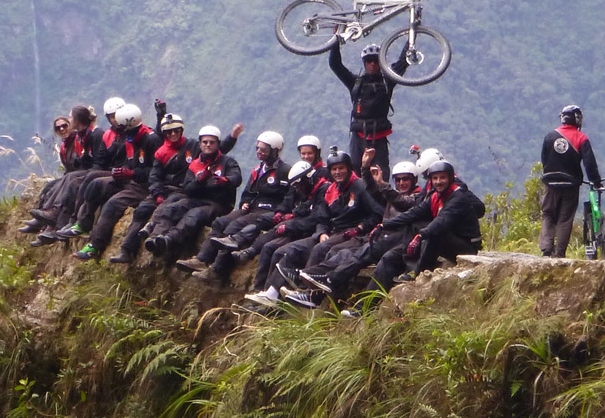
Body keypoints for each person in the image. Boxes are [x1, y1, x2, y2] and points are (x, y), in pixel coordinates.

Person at [247, 148, 382, 308]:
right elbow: (322, 217)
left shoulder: (359, 186)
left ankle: (308, 292)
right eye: (334, 169)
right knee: (291, 249)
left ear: (348, 168)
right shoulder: (332, 190)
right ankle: (272, 293)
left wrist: (360, 227)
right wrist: (321, 232)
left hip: (352, 234)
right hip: (331, 232)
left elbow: (377, 213)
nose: (338, 172)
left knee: (320, 249)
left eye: (341, 168)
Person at [298, 159, 423, 302]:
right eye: (398, 180)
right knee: (342, 252)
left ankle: (329, 283)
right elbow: (373, 191)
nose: (401, 183)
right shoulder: (392, 196)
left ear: (414, 180)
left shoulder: (417, 199)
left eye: (405, 179)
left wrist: (383, 186)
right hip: (381, 236)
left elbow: (402, 203)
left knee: (361, 255)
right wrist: (366, 169)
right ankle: (316, 277)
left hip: (396, 240)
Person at [176, 132, 292, 276]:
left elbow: (290, 196)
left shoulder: (284, 171)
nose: (259, 152)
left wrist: (280, 211)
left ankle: (216, 270)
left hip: (269, 210)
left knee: (234, 226)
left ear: (275, 150)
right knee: (220, 222)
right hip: (253, 207)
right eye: (257, 148)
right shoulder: (258, 169)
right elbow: (248, 191)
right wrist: (245, 202)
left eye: (264, 150)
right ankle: (202, 259)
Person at [77, 111, 187, 261]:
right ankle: (81, 222)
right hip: (132, 180)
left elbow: (154, 172)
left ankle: (96, 244)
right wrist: (121, 172)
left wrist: (132, 173)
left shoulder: (151, 140)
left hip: (144, 186)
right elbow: (130, 163)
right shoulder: (129, 140)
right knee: (97, 184)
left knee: (114, 204)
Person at [41, 101, 153, 243]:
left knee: (90, 183)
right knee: (72, 179)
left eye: (116, 116)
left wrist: (128, 173)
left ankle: (82, 229)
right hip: (117, 172)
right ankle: (61, 221)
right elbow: (101, 159)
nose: (114, 120)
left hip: (132, 179)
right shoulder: (109, 136)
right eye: (111, 116)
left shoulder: (140, 137)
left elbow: (140, 165)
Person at [370, 151, 484, 289]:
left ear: (450, 178)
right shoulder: (436, 196)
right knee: (412, 224)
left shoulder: (458, 198)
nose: (438, 182)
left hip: (468, 247)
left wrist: (421, 235)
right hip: (451, 239)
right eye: (435, 178)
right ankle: (360, 308)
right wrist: (384, 225)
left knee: (436, 233)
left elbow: (441, 222)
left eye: (442, 178)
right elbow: (413, 213)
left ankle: (419, 272)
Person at [143, 122, 244, 263]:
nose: (208, 145)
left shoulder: (227, 162)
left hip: (219, 204)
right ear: (200, 144)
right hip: (198, 199)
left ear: (218, 144)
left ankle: (169, 239)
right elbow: (187, 189)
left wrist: (225, 180)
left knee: (194, 215)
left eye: (212, 142)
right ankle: (155, 237)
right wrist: (200, 180)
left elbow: (237, 178)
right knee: (173, 208)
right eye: (205, 142)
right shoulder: (195, 164)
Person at [328, 39, 409, 174]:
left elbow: (403, 62)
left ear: (381, 63)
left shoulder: (387, 80)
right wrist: (336, 39)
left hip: (379, 136)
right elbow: (335, 64)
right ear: (364, 63)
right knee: (355, 171)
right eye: (369, 61)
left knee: (381, 173)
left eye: (376, 61)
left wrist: (412, 35)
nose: (372, 64)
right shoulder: (355, 82)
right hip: (358, 136)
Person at [22, 105, 101, 238]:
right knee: (50, 186)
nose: (62, 128)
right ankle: (43, 219)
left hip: (86, 173)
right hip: (76, 173)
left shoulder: (85, 137)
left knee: (68, 182)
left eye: (65, 124)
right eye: (58, 128)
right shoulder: (68, 144)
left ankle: (55, 223)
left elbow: (93, 161)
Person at [538, 104, 602, 258]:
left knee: (548, 214)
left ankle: (546, 248)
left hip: (551, 183)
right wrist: (596, 181)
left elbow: (544, 159)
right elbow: (589, 164)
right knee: (565, 218)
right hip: (571, 185)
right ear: (577, 119)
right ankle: (559, 253)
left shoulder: (550, 136)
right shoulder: (582, 138)